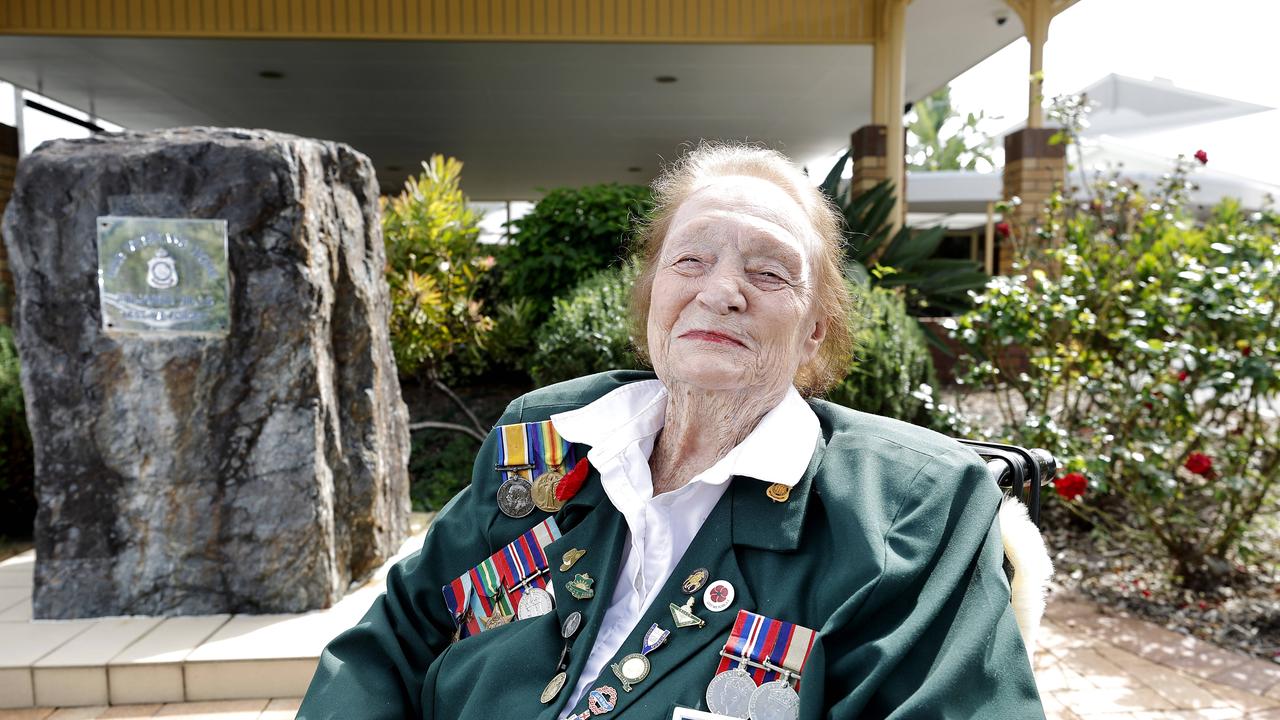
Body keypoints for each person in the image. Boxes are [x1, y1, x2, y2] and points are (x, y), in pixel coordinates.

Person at [297, 142, 1045, 719]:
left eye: (770, 273)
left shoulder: (912, 508)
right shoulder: (546, 440)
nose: (721, 292)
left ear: (816, 330)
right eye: (691, 258)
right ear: (654, 292)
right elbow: (391, 643)